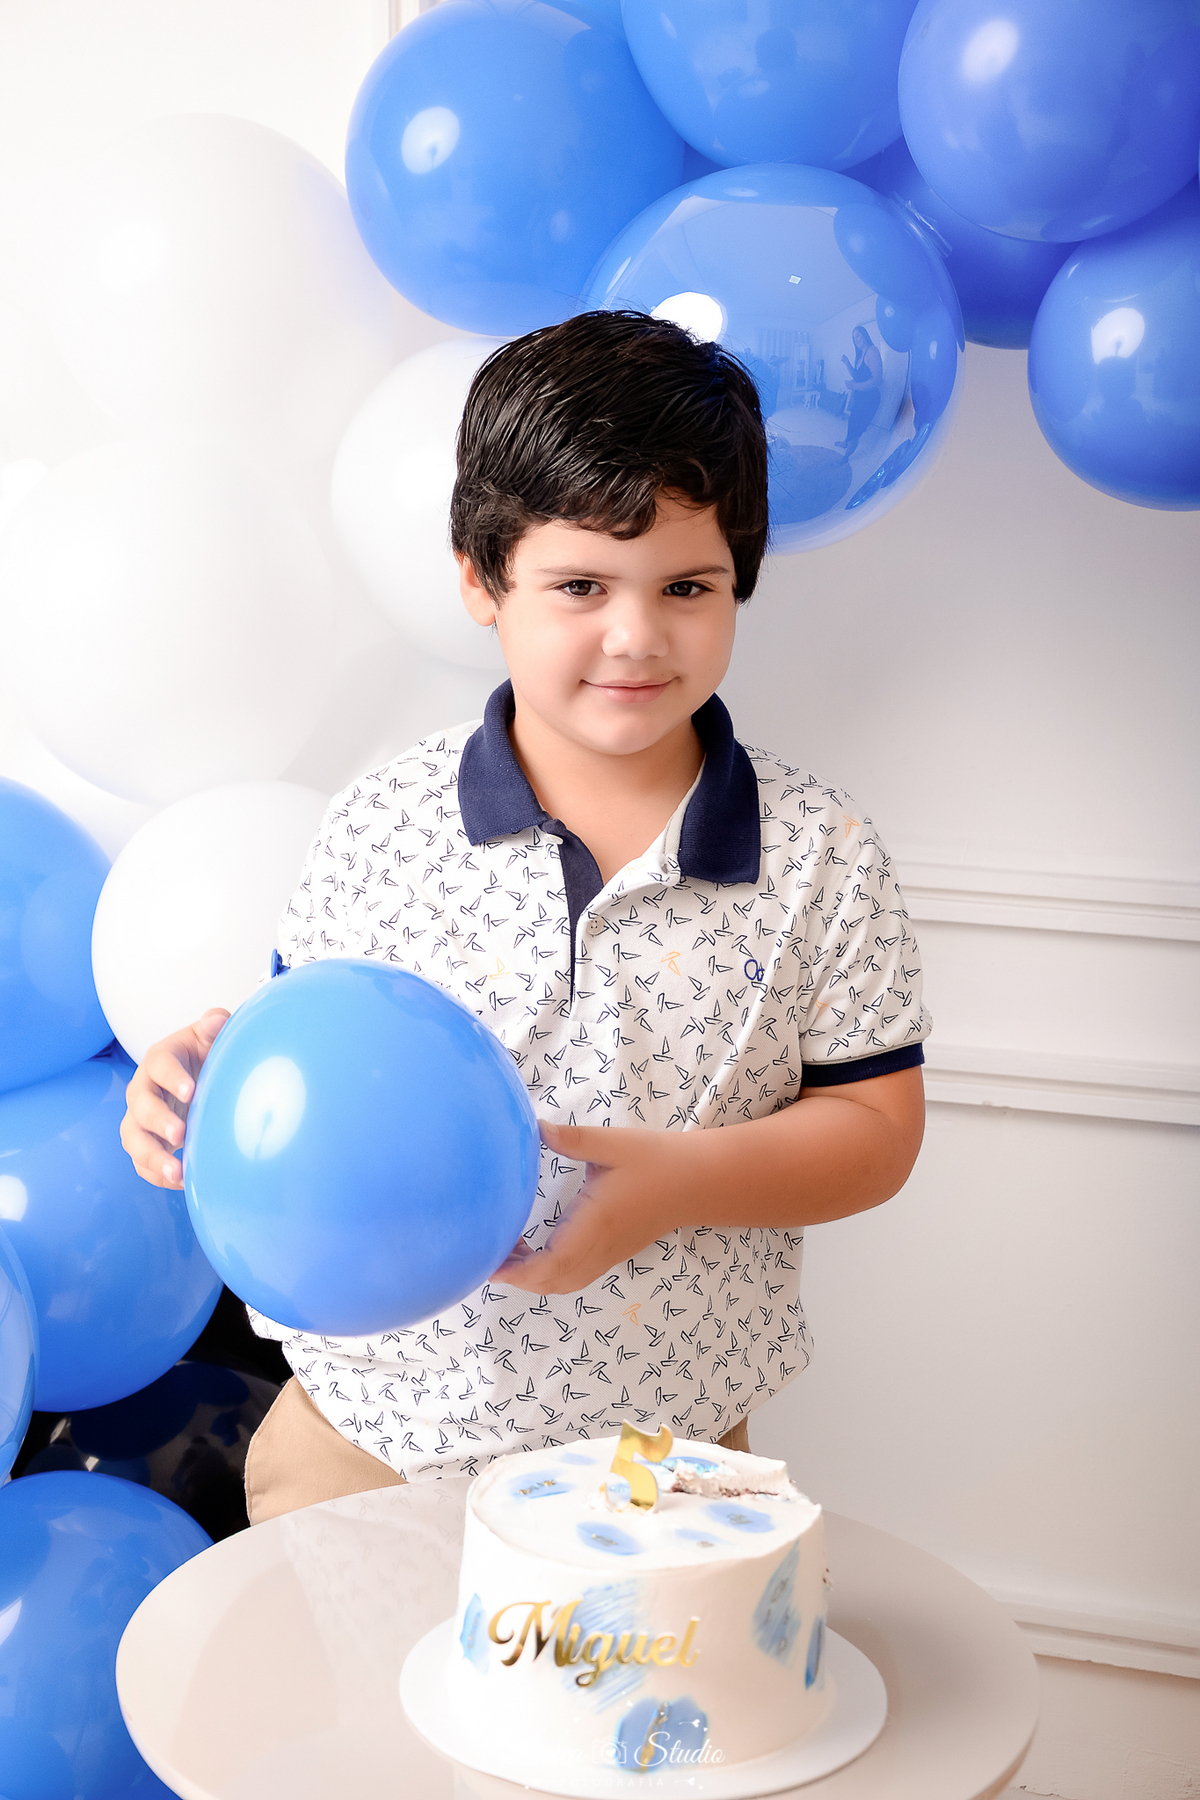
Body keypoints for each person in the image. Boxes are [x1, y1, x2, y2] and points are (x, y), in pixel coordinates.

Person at [120, 311, 929, 1524]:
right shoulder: (379, 827)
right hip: (371, 1440)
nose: (637, 635)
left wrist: (675, 1181)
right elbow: (293, 1066)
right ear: (480, 578)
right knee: (354, 1718)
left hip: (666, 1463)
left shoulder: (822, 855)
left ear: (741, 583)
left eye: (687, 586)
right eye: (581, 585)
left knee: (649, 1718)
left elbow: (876, 1128)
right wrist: (191, 1092)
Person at [836, 324, 883, 457]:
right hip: (860, 399)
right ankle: (845, 442)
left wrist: (853, 386)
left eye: (857, 336)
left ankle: (845, 458)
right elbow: (856, 376)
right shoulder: (861, 354)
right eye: (853, 337)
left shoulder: (872, 351)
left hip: (869, 401)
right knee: (852, 423)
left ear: (865, 335)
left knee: (855, 430)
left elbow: (877, 381)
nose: (855, 339)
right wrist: (846, 362)